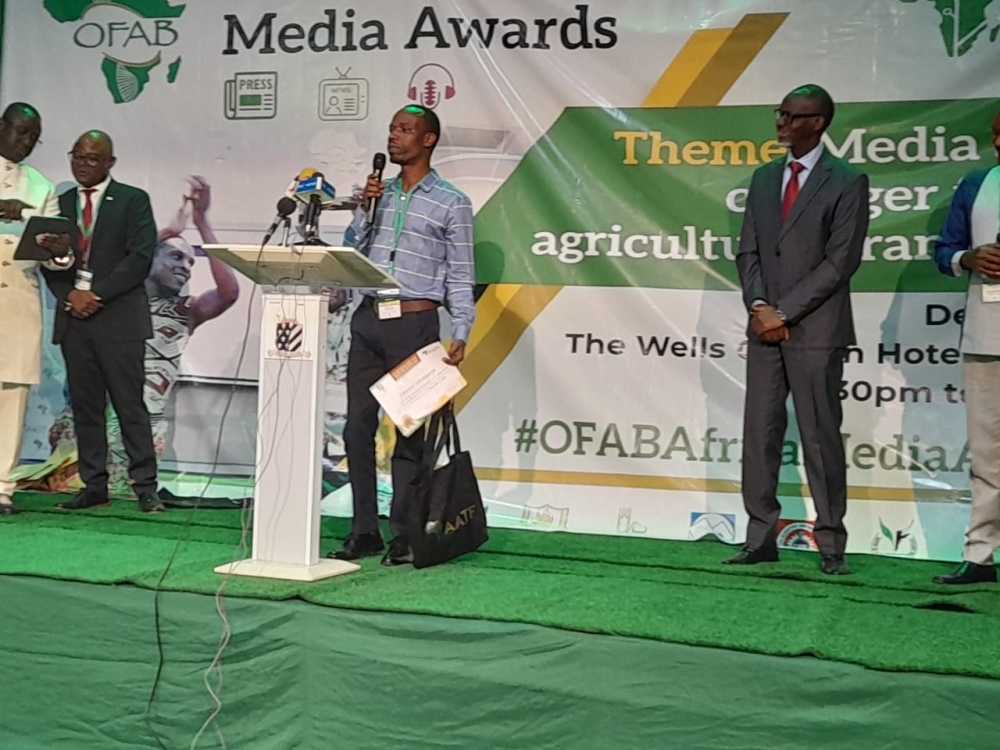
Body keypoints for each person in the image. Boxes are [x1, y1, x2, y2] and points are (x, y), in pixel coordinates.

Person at [730, 84, 869, 574]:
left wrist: (784, 312)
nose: (781, 123)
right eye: (780, 113)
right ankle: (759, 536)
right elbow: (748, 250)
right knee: (760, 433)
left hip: (816, 329)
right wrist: (761, 305)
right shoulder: (765, 177)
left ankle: (830, 543)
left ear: (819, 123)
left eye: (792, 115)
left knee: (819, 437)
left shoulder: (847, 181)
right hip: (764, 327)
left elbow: (841, 261)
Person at [329, 104, 475, 566]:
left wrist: (462, 329)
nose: (394, 137)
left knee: (409, 433)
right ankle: (363, 530)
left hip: (415, 323)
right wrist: (364, 210)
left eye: (405, 130)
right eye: (392, 129)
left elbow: (460, 272)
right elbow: (351, 251)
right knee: (357, 428)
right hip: (369, 318)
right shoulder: (379, 194)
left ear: (428, 140)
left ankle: (406, 533)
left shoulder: (452, 202)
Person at [41, 130, 163, 513]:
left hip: (118, 319)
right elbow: (47, 258)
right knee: (85, 407)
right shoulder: (58, 203)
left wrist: (96, 294)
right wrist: (70, 296)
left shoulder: (132, 200)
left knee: (129, 406)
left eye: (92, 158)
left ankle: (145, 486)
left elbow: (139, 258)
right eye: (77, 156)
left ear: (110, 163)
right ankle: (94, 484)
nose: (83, 163)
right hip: (75, 319)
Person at [930, 109, 1000, 585]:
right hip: (986, 335)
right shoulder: (977, 185)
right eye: (999, 134)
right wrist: (967, 257)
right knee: (987, 452)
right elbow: (943, 252)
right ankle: (980, 555)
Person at [0, 102, 73, 515]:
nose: (25, 142)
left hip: (18, 300)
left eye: (33, 137)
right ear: (2, 127)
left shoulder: (41, 186)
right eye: (20, 132)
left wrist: (59, 253)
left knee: (11, 395)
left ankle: (3, 485)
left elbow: (57, 258)